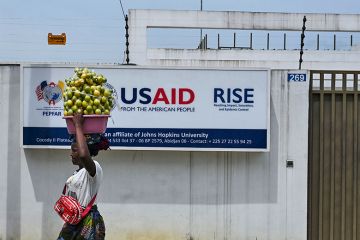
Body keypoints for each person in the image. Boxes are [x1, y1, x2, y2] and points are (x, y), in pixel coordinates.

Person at [57, 114, 109, 240]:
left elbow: (85, 155)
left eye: (75, 150)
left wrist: (78, 125)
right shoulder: (76, 174)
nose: (71, 154)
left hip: (88, 222)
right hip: (74, 221)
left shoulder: (93, 169)